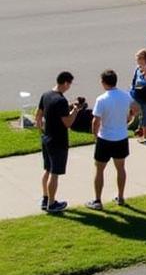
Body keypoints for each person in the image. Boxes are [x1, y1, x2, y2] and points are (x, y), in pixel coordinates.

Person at [88, 69, 139, 209]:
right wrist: (129, 118)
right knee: (121, 168)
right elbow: (136, 108)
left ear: (104, 82)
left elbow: (95, 121)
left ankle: (97, 200)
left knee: (99, 170)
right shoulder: (125, 96)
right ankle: (121, 196)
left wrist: (94, 136)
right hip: (121, 137)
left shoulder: (102, 99)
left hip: (105, 138)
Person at [35, 70, 85, 214]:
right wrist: (75, 110)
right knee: (55, 173)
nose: (69, 87)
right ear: (65, 83)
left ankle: (45, 198)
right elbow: (68, 122)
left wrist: (42, 132)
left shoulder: (46, 95)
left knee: (47, 170)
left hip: (46, 138)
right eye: (69, 84)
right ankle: (52, 203)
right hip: (58, 141)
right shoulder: (61, 101)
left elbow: (38, 115)